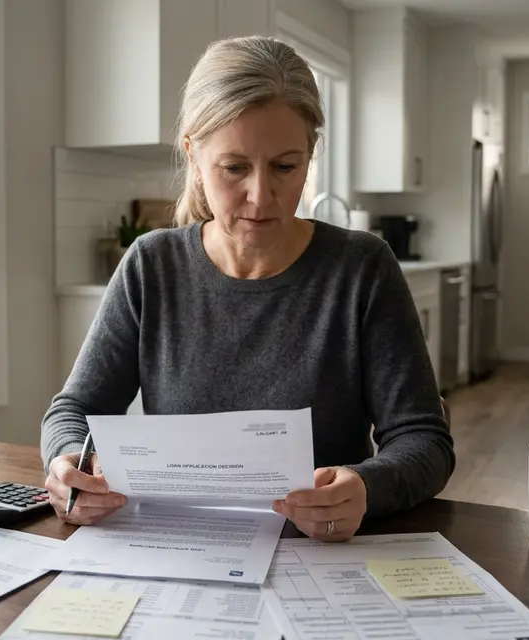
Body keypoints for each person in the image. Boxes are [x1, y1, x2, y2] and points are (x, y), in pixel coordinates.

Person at [39, 35, 454, 542]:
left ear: (310, 154)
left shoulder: (362, 268)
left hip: (322, 557)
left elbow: (424, 441)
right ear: (193, 155)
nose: (262, 196)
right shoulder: (151, 265)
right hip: (181, 547)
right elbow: (75, 409)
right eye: (234, 168)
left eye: (286, 166)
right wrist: (67, 463)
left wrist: (366, 487)